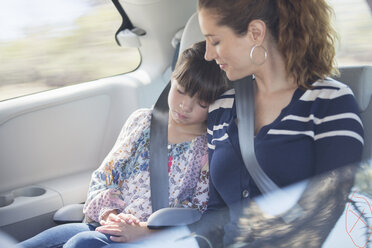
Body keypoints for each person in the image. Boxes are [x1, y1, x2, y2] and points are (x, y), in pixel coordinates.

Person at [17, 40, 228, 248]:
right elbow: (106, 176)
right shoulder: (142, 122)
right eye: (180, 90)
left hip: (151, 237)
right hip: (106, 223)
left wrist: (146, 231)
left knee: (82, 243)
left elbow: (197, 213)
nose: (185, 105)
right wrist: (111, 215)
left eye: (201, 102)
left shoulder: (208, 150)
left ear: (215, 103)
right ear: (172, 80)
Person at [188, 0, 365, 247]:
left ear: (256, 33)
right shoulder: (221, 107)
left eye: (215, 41)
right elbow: (216, 214)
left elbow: (326, 215)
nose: (208, 54)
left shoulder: (330, 103)